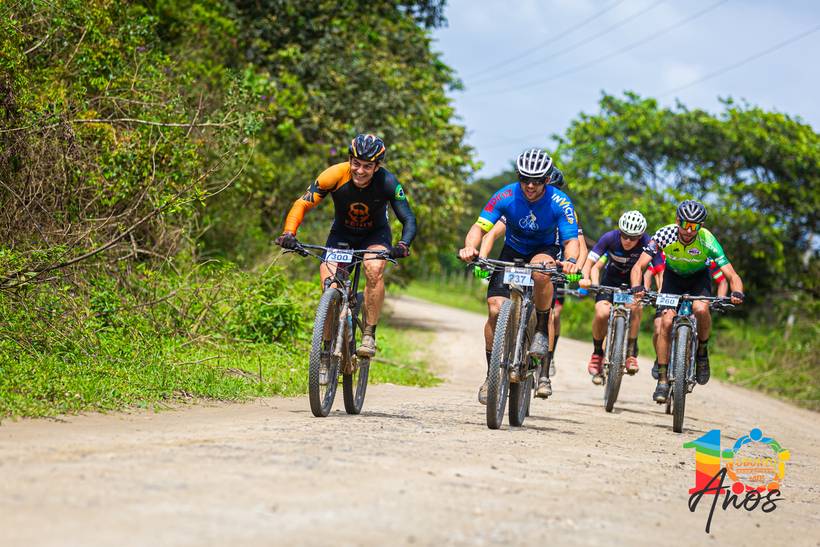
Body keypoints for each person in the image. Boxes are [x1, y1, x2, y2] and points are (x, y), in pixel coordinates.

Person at [275, 134, 416, 358]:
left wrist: (403, 244)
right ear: (350, 159)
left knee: (374, 269)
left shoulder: (388, 182)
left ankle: (368, 334)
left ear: (377, 166)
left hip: (375, 236)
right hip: (341, 235)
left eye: (367, 166)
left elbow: (408, 218)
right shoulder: (334, 174)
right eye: (356, 163)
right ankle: (325, 351)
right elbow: (302, 203)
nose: (360, 171)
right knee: (329, 286)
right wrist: (289, 233)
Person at [458, 148, 580, 403]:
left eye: (537, 180)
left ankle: (541, 330)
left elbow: (571, 241)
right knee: (495, 310)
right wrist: (470, 247)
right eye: (525, 179)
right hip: (512, 251)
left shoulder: (560, 202)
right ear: (518, 176)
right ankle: (491, 376)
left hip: (543, 250)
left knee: (541, 271)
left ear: (547, 179)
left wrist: (570, 262)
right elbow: (480, 228)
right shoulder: (505, 195)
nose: (530, 185)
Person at [630, 200, 744, 403]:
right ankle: (662, 380)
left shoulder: (707, 239)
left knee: (701, 309)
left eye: (694, 226)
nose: (689, 231)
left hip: (699, 279)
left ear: (701, 226)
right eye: (685, 224)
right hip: (672, 279)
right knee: (666, 322)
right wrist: (637, 286)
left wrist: (737, 291)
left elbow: (731, 274)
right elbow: (639, 265)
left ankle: (702, 351)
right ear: (677, 221)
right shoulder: (665, 234)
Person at [479, 168, 587, 376]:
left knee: (551, 314)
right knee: (496, 308)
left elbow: (579, 246)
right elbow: (490, 234)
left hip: (553, 261)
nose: (535, 190)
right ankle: (494, 370)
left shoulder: (564, 209)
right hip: (517, 255)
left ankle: (544, 371)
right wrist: (482, 258)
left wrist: (575, 266)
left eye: (543, 185)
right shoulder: (518, 205)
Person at [579, 210, 661, 384]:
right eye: (625, 236)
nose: (628, 241)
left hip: (633, 285)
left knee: (636, 307)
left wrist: (660, 290)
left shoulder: (648, 242)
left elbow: (658, 269)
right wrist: (585, 278)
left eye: (633, 237)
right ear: (619, 231)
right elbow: (590, 262)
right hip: (610, 282)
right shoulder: (609, 238)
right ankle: (597, 353)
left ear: (641, 236)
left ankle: (631, 352)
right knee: (601, 313)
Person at [647, 252, 729, 380]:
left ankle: (700, 355)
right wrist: (647, 290)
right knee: (659, 327)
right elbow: (649, 272)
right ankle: (661, 358)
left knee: (700, 316)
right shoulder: (667, 255)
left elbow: (722, 281)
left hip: (695, 295)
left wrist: (721, 298)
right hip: (672, 293)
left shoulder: (706, 259)